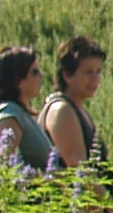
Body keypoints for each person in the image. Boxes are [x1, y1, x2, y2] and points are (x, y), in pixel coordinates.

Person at [39, 34, 106, 176]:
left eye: (98, 72)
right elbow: (79, 169)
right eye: (88, 72)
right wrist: (107, 198)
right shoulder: (61, 110)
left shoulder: (78, 109)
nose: (95, 79)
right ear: (67, 75)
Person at [0, 46, 44, 176]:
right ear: (17, 80)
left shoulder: (20, 114)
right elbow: (1, 170)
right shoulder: (9, 115)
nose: (41, 76)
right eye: (34, 72)